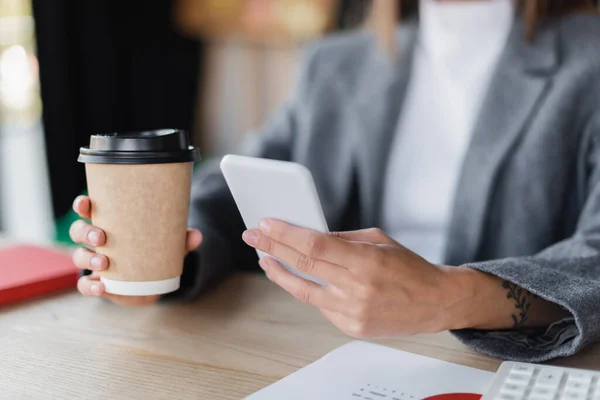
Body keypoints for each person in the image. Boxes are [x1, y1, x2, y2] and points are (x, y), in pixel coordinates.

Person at [69, 0, 600, 362]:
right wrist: (158, 262)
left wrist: (453, 296)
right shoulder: (336, 63)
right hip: (333, 356)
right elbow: (228, 191)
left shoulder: (588, 62)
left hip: (507, 370)